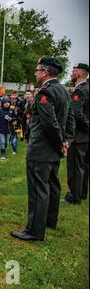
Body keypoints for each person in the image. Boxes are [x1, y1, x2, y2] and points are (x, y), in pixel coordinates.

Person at [11, 56, 75, 242]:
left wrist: (61, 143)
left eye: (38, 70)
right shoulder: (63, 90)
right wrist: (66, 141)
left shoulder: (45, 92)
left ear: (45, 72)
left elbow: (50, 124)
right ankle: (48, 221)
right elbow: (70, 118)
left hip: (42, 149)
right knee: (52, 186)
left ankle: (34, 230)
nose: (36, 72)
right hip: (54, 148)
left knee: (39, 189)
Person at [64, 63, 89, 205]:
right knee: (84, 166)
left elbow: (76, 114)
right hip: (85, 136)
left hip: (78, 136)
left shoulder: (80, 90)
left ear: (79, 73)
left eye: (73, 71)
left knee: (75, 167)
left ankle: (74, 196)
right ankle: (82, 193)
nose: (71, 73)